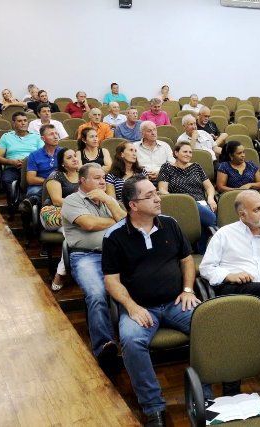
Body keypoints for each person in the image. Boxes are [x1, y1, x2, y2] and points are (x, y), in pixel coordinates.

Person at [103, 175, 201, 427]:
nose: (158, 198)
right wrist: (131, 307)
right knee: (131, 341)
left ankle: (206, 395)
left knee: (209, 325)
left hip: (177, 302)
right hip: (140, 307)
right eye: (150, 196)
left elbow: (186, 260)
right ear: (133, 205)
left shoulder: (170, 224)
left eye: (156, 193)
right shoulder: (114, 236)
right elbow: (111, 281)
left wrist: (188, 289)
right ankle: (153, 408)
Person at [200, 190, 260, 394]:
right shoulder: (225, 234)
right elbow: (206, 268)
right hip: (235, 292)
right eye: (257, 209)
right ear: (242, 215)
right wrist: (229, 275)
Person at [61, 162, 126, 372]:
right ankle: (104, 347)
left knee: (143, 282)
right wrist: (113, 220)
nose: (102, 181)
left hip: (116, 255)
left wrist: (109, 201)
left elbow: (127, 223)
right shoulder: (72, 200)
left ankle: (135, 336)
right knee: (97, 294)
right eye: (97, 178)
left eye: (103, 177)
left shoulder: (108, 200)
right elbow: (88, 224)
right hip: (86, 256)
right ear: (83, 181)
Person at [158, 141, 216, 254]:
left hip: (201, 202)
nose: (188, 154)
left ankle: (199, 250)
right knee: (211, 220)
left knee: (205, 221)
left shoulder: (196, 167)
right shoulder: (167, 167)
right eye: (185, 151)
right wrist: (179, 199)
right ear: (176, 153)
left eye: (190, 152)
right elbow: (162, 189)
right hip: (181, 203)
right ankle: (203, 249)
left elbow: (209, 187)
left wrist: (211, 198)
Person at [40, 147, 80, 291]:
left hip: (74, 216)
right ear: (62, 163)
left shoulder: (83, 174)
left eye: (75, 156)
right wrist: (81, 205)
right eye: (69, 157)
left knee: (73, 233)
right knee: (80, 226)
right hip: (53, 213)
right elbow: (57, 200)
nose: (74, 159)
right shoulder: (55, 175)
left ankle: (60, 273)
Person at [216, 140, 260, 220]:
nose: (243, 155)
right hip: (234, 198)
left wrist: (250, 184)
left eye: (243, 152)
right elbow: (221, 187)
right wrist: (238, 190)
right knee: (258, 218)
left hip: (253, 197)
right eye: (239, 153)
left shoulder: (251, 165)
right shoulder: (224, 166)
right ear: (231, 155)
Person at [0, 111, 43, 202]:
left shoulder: (36, 137)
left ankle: (33, 202)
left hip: (33, 168)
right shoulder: (6, 137)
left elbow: (42, 154)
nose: (23, 123)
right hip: (13, 167)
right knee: (6, 180)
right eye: (20, 121)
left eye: (25, 120)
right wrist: (12, 162)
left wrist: (29, 163)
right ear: (14, 123)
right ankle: (20, 205)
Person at [25, 124, 62, 198]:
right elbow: (31, 179)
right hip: (41, 185)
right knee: (33, 193)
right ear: (43, 138)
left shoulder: (63, 152)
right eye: (51, 134)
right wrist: (50, 182)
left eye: (56, 133)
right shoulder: (34, 155)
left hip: (61, 184)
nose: (55, 137)